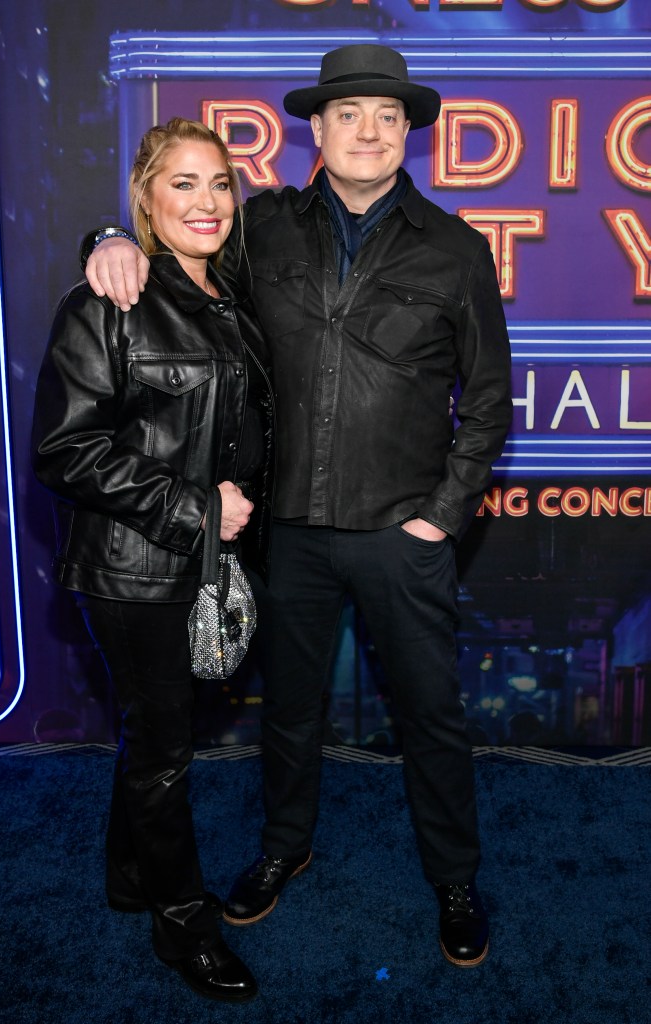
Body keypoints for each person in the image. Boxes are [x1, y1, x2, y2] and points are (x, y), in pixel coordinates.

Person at [81, 44, 513, 968]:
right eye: (348, 114)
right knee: (290, 712)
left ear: (409, 134)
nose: (367, 132)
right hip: (284, 535)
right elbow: (175, 257)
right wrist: (103, 241)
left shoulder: (456, 248)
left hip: (404, 532)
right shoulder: (261, 228)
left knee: (431, 714)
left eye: (387, 117)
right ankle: (284, 848)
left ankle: (454, 876)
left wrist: (441, 512)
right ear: (313, 129)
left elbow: (487, 403)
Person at [32, 117, 276, 1003]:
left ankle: (128, 880)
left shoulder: (227, 295)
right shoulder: (109, 300)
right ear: (146, 194)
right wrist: (196, 507)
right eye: (183, 183)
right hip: (134, 569)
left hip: (195, 561)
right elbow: (65, 451)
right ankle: (183, 927)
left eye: (219, 183)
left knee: (150, 737)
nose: (206, 201)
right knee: (165, 752)